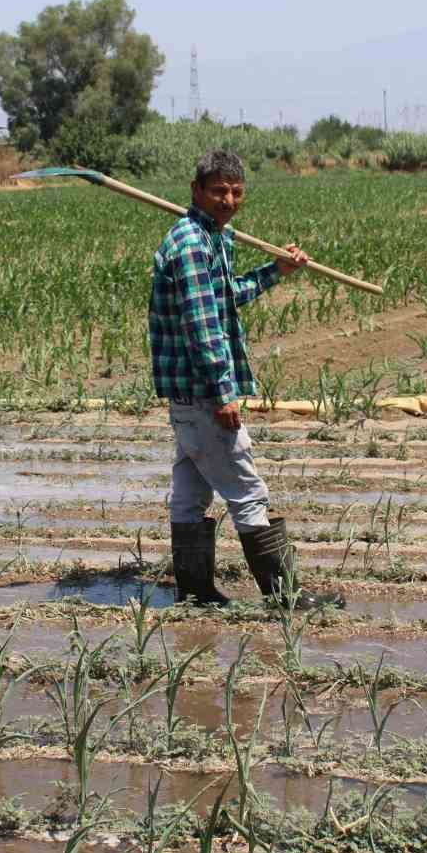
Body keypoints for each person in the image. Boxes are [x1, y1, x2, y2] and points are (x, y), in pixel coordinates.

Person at [149, 149, 345, 610]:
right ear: (196, 191)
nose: (228, 200)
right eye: (218, 191)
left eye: (236, 192)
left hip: (189, 394)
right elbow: (202, 326)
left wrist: (276, 270)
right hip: (201, 393)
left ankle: (195, 594)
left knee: (191, 494)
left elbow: (225, 297)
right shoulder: (193, 244)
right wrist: (223, 392)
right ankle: (284, 596)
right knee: (247, 490)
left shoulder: (216, 237)